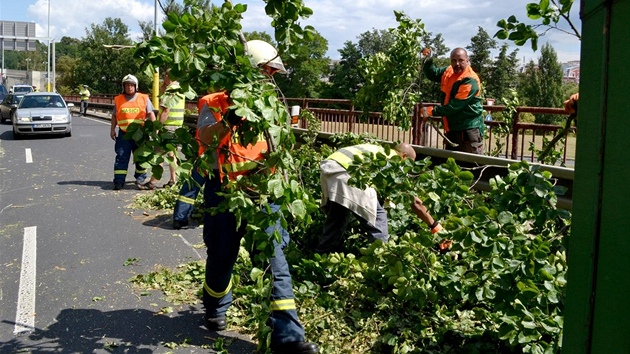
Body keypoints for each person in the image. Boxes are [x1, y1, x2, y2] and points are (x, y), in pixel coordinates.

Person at [197, 40, 319, 354]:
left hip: (264, 194)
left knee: (275, 260)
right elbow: (206, 138)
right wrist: (231, 120)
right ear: (250, 71)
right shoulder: (213, 102)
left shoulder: (273, 107)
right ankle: (215, 304)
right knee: (222, 254)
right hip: (224, 192)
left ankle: (287, 337)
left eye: (272, 73)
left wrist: (279, 182)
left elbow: (281, 149)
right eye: (267, 72)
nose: (271, 79)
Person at [315, 143, 443, 253]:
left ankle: (323, 253)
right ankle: (380, 260)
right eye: (409, 163)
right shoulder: (393, 160)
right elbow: (414, 201)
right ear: (403, 156)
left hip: (329, 168)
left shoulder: (378, 150)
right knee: (378, 217)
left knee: (338, 216)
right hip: (349, 172)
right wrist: (434, 225)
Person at [421, 47, 485, 154]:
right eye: (454, 60)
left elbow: (455, 106)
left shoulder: (470, 80)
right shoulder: (448, 72)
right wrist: (428, 59)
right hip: (452, 128)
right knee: (451, 164)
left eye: (461, 60)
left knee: (472, 164)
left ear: (467, 61)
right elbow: (432, 73)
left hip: (469, 130)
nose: (457, 64)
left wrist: (431, 111)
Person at [139, 70, 186, 190]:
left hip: (167, 126)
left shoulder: (170, 91)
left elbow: (166, 111)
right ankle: (173, 180)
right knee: (172, 154)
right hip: (177, 127)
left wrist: (158, 127)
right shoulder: (180, 89)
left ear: (167, 76)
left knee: (158, 153)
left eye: (164, 76)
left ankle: (153, 182)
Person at [110, 74, 156, 190]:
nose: (129, 87)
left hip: (140, 134)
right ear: (123, 87)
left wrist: (156, 129)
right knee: (121, 156)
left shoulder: (144, 98)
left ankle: (140, 179)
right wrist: (112, 130)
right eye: (127, 85)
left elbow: (151, 114)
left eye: (131, 85)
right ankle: (119, 181)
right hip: (124, 134)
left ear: (136, 86)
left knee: (141, 157)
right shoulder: (118, 99)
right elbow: (114, 116)